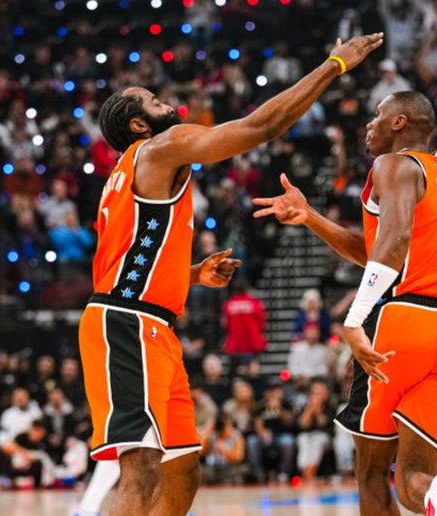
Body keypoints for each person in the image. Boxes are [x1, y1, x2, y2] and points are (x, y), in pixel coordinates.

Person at [78, 33, 383, 516]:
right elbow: (262, 126)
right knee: (141, 466)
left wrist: (192, 274)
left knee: (183, 467)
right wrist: (333, 65)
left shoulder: (129, 175)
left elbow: (129, 261)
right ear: (139, 124)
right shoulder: (160, 146)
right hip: (127, 323)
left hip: (149, 321)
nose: (166, 103)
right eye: (154, 101)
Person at [254, 91, 437, 515]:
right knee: (413, 477)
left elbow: (393, 244)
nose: (370, 124)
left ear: (400, 122)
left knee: (371, 472)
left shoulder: (394, 164)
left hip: (403, 322)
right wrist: (311, 217)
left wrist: (354, 319)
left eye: (378, 115)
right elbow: (378, 249)